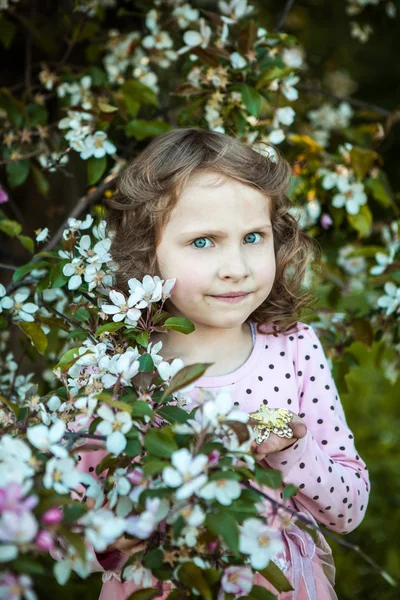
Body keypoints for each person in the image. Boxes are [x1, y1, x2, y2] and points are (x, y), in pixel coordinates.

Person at [74, 127, 370, 599]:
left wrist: (290, 451)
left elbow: (349, 509)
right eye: (204, 242)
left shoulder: (294, 348)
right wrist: (111, 537)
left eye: (253, 236)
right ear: (147, 252)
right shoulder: (116, 369)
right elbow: (61, 519)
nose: (237, 266)